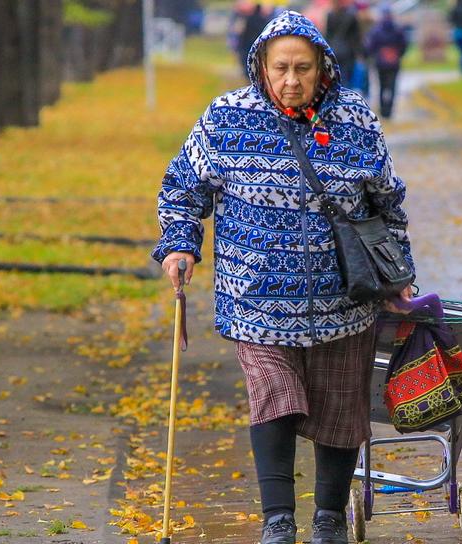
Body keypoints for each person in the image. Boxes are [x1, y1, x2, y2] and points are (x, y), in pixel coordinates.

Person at [152, 10, 415, 544]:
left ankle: (329, 519)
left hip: (346, 300)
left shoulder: (355, 120)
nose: (292, 81)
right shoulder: (226, 118)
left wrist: (399, 272)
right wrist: (180, 245)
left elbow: (389, 204)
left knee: (341, 407)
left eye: (303, 69)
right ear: (261, 68)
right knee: (273, 397)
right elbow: (182, 187)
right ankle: (277, 520)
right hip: (257, 300)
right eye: (281, 69)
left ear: (323, 68)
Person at [366, 7, 409, 118]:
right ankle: (389, 109)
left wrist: (375, 56)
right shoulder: (398, 29)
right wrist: (398, 54)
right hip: (394, 62)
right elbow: (404, 44)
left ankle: (383, 109)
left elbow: (370, 47)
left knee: (382, 86)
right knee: (392, 86)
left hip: (381, 63)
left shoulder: (376, 30)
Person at [324, 0, 365, 95]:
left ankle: (336, 95)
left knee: (335, 75)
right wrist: (359, 53)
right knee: (347, 76)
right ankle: (345, 96)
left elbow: (328, 35)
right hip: (348, 51)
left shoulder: (330, 15)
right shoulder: (351, 16)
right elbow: (356, 37)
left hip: (334, 50)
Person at [236, 2, 273, 80]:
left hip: (247, 45)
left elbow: (241, 33)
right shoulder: (264, 20)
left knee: (246, 62)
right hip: (257, 45)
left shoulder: (248, 19)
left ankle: (248, 76)